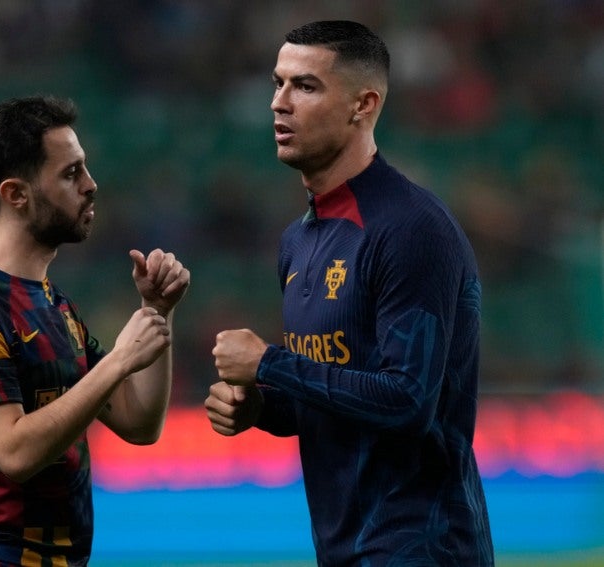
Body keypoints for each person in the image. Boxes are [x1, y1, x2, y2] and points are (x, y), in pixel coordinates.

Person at [204, 20, 494, 566]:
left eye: (305, 86)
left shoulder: (410, 227)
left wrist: (269, 363)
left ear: (363, 105)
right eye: (277, 83)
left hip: (422, 549)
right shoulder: (297, 241)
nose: (279, 103)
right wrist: (263, 406)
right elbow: (333, 396)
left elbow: (407, 401)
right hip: (343, 548)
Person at [0, 95, 189, 566]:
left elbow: (140, 423)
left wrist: (157, 312)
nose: (91, 185)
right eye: (70, 173)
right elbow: (14, 452)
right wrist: (120, 360)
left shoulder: (53, 303)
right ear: (15, 194)